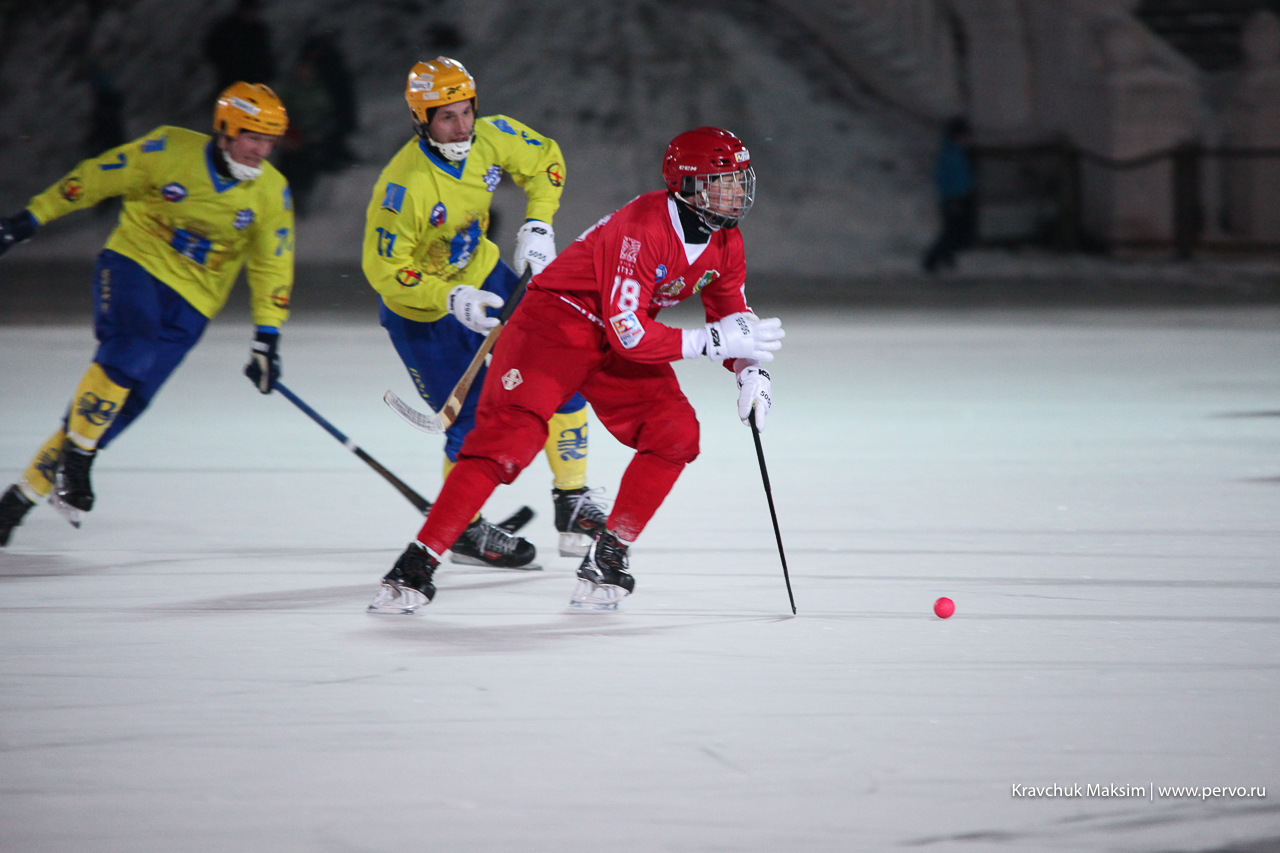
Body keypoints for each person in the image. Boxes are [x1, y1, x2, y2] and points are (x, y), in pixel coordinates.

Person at [368, 126, 785, 614]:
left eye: (738, 179)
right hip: (554, 326)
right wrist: (711, 343)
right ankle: (419, 560)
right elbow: (633, 332)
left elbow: (729, 309)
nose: (736, 192)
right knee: (509, 442)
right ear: (687, 186)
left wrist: (751, 371)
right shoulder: (644, 228)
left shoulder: (724, 240)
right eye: (722, 180)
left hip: (610, 335)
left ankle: (609, 553)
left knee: (675, 433)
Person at [0, 83, 294, 547]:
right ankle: (77, 460)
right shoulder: (167, 149)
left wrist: (267, 338)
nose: (261, 151)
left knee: (124, 405)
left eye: (269, 141)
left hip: (194, 303)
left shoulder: (271, 193)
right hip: (135, 265)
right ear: (225, 130)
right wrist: (29, 219)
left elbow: (272, 263)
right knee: (128, 352)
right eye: (252, 137)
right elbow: (96, 177)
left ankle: (17, 502)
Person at [363, 57, 609, 572]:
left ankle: (573, 502)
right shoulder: (403, 187)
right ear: (421, 120)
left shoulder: (492, 139)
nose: (460, 127)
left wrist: (538, 224)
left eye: (465, 112)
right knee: (473, 419)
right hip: (421, 314)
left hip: (486, 274)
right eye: (445, 118)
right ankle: (465, 531)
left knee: (563, 370)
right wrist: (449, 299)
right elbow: (384, 271)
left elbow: (546, 159)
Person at [922, 116, 977, 273]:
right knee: (951, 231)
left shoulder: (959, 152)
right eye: (964, 135)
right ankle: (931, 260)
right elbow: (943, 179)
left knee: (958, 231)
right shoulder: (950, 153)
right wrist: (952, 198)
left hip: (962, 196)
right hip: (953, 198)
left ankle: (947, 257)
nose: (967, 138)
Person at [204, 0, 277, 99]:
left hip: (251, 78)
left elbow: (264, 54)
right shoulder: (227, 28)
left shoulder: (258, 31)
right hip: (228, 75)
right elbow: (213, 48)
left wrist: (265, 73)